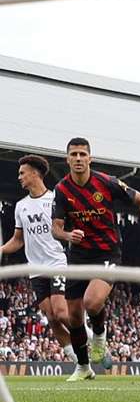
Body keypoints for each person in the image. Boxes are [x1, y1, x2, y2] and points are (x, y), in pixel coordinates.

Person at [51, 137, 140, 381]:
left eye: (83, 154)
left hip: (107, 252)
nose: (79, 158)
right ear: (67, 159)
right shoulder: (62, 190)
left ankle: (100, 338)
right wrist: (68, 234)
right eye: (74, 154)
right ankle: (83, 368)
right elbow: (56, 229)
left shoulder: (107, 183)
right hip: (78, 256)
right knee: (73, 316)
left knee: (92, 303)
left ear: (90, 158)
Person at [0, 155, 77, 367]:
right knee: (51, 318)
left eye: (22, 173)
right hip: (35, 269)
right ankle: (80, 362)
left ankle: (92, 338)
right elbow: (17, 241)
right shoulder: (20, 207)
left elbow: (66, 229)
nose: (19, 177)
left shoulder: (54, 200)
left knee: (61, 312)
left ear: (35, 173)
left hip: (56, 262)